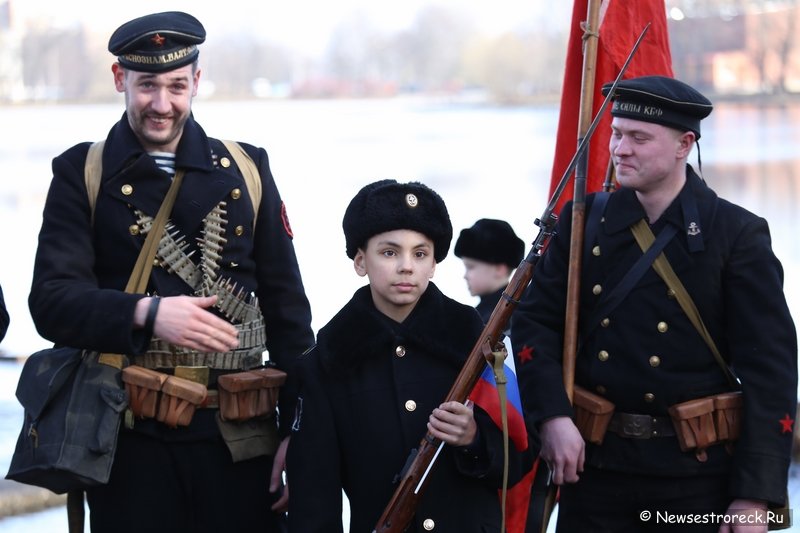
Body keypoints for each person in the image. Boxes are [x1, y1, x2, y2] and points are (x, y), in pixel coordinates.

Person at [28, 11, 313, 533]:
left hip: (242, 441)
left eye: (177, 86)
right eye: (147, 86)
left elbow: (289, 314)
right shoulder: (81, 173)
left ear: (197, 81)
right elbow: (51, 301)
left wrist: (299, 435)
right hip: (131, 444)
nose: (163, 104)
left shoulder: (248, 168)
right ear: (120, 80)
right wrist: (147, 313)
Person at [511, 75, 797, 532]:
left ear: (685, 144)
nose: (620, 149)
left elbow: (771, 373)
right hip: (595, 474)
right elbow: (535, 324)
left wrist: (754, 496)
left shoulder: (736, 235)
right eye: (617, 133)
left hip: (697, 480)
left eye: (639, 138)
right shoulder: (584, 222)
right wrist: (552, 417)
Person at [287, 179, 524, 532]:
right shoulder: (327, 363)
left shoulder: (476, 344)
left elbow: (518, 459)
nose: (406, 267)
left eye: (420, 253)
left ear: (433, 264)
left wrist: (473, 438)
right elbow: (314, 504)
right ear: (359, 261)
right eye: (389, 252)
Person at [454, 218, 525, 323]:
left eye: (470, 267)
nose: (465, 276)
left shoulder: (509, 317)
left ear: (500, 269)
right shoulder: (482, 314)